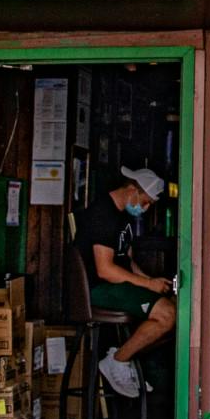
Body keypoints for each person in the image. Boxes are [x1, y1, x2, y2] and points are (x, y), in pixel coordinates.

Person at [73, 166, 175, 400]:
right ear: (131, 190)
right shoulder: (103, 215)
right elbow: (106, 269)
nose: (145, 208)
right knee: (167, 315)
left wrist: (149, 281)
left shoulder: (122, 217)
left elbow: (127, 261)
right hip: (99, 288)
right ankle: (118, 360)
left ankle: (124, 354)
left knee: (175, 310)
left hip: (116, 286)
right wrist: (147, 285)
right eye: (145, 202)